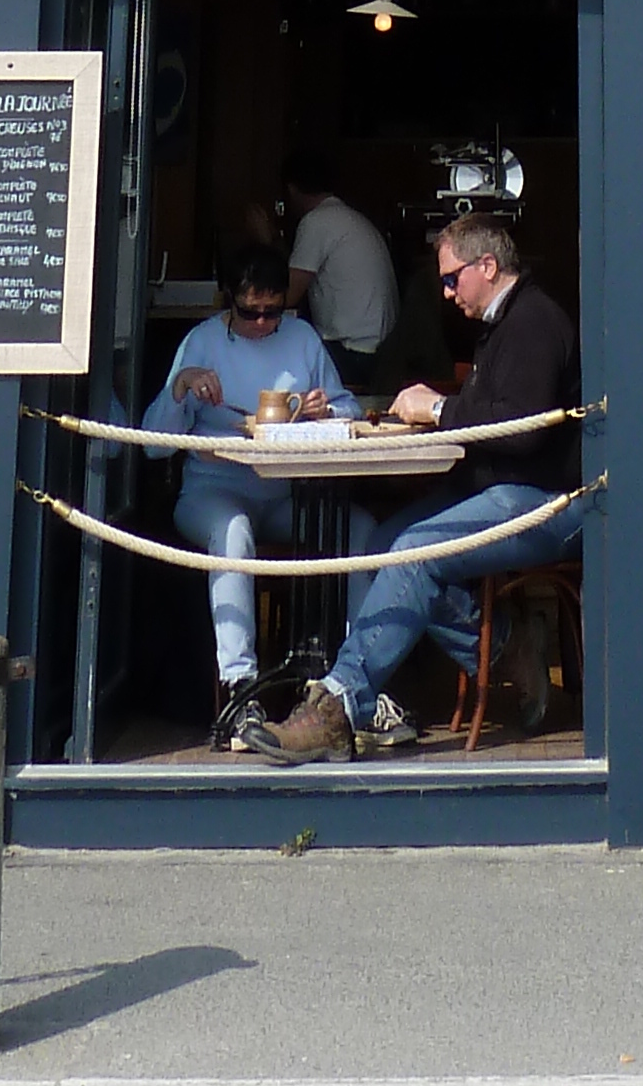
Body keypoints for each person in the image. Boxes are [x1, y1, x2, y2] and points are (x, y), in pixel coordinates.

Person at [246, 213, 583, 762]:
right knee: (384, 547)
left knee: (412, 554)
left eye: (453, 278)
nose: (447, 292)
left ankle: (337, 703)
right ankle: (506, 649)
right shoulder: (508, 321)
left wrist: (440, 407)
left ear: (489, 266)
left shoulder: (533, 322)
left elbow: (520, 430)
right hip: (502, 489)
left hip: (546, 500)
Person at [139, 242, 359, 749]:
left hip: (286, 493)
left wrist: (327, 408)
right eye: (249, 312)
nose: (262, 323)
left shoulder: (302, 338)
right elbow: (152, 445)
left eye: (272, 312)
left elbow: (348, 405)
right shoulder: (202, 342)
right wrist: (181, 387)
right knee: (233, 534)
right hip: (213, 490)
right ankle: (241, 685)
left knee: (361, 531)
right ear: (228, 302)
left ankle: (351, 685)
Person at [274, 148, 402, 396]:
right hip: (384, 352)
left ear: (290, 190)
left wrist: (266, 240)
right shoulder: (349, 218)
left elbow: (285, 297)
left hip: (355, 355)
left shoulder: (317, 221)